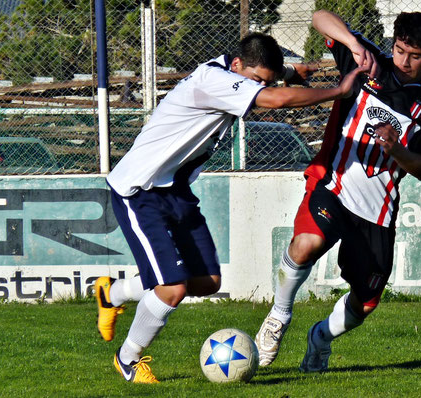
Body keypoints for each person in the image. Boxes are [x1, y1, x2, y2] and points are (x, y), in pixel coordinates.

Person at [94, 32, 370, 384]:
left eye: (263, 81)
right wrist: (339, 91)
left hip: (174, 189)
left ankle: (112, 292)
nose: (258, 87)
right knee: (173, 288)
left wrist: (289, 72)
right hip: (140, 190)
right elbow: (276, 99)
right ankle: (127, 359)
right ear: (237, 66)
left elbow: (270, 80)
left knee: (207, 282)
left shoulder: (234, 71)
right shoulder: (214, 80)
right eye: (256, 80)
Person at [255, 10, 421, 372]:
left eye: (415, 55)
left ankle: (320, 339)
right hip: (333, 183)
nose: (403, 60)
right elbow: (318, 17)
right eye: (399, 49)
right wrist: (351, 44)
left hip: (377, 210)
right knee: (306, 244)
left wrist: (396, 150)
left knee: (364, 304)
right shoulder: (369, 63)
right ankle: (278, 317)